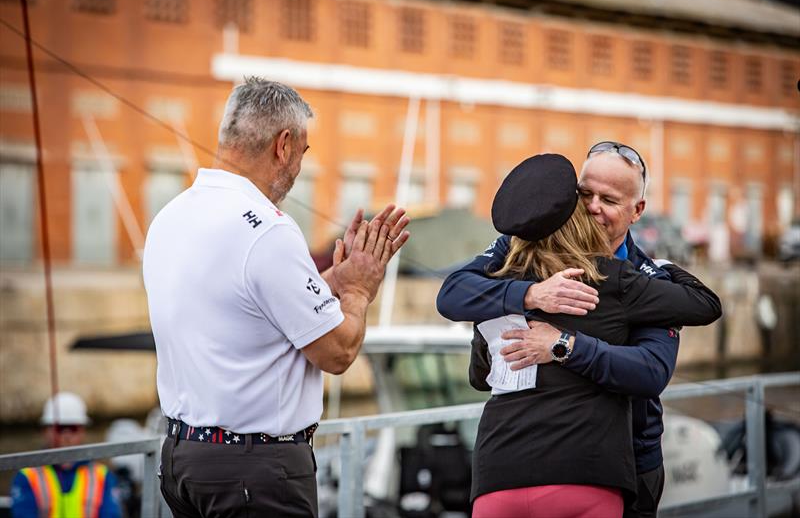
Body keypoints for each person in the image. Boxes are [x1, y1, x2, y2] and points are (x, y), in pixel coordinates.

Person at [142, 78, 410, 518]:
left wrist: (333, 278)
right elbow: (338, 351)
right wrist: (358, 289)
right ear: (283, 145)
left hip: (183, 463)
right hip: (255, 473)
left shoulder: (171, 216)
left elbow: (249, 305)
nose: (300, 167)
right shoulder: (268, 230)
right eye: (304, 152)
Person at [439, 153, 721, 518]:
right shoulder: (514, 257)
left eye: (609, 200)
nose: (593, 207)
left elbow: (654, 368)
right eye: (585, 194)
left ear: (637, 211)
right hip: (563, 471)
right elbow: (452, 295)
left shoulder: (639, 278)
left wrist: (564, 346)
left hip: (628, 458)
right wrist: (530, 295)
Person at [10, 392, 122, 518]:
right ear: (45, 431)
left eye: (73, 428)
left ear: (83, 431)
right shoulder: (27, 477)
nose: (66, 436)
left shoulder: (103, 476)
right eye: (60, 428)